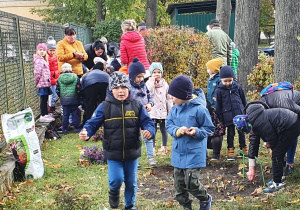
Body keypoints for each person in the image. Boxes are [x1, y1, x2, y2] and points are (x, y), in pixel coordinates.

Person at [79, 71, 155, 210]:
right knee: (116, 179)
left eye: (124, 87)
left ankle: (130, 205)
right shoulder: (104, 106)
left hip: (132, 150)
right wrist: (86, 132)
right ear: (111, 90)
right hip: (113, 151)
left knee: (131, 182)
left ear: (129, 88)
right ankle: (113, 192)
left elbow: (148, 122)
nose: (121, 91)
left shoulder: (136, 105)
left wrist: (149, 131)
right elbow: (93, 123)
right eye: (117, 88)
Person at [166, 75, 215, 210]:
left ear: (184, 96)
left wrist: (197, 132)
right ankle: (186, 206)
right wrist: (177, 130)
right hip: (178, 153)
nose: (171, 98)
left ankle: (205, 199)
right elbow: (168, 124)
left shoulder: (199, 109)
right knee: (179, 188)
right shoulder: (175, 108)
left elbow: (209, 128)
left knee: (192, 183)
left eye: (174, 95)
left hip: (194, 153)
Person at [234, 101, 300, 193]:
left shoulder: (258, 122)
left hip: (291, 125)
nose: (250, 133)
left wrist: (272, 148)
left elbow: (272, 138)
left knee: (277, 154)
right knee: (277, 152)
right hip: (288, 124)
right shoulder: (255, 119)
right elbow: (258, 142)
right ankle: (280, 177)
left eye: (249, 131)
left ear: (248, 125)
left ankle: (277, 184)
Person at [250, 82, 300, 176]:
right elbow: (262, 132)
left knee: (291, 132)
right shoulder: (260, 110)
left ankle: (290, 163)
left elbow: (293, 124)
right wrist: (270, 145)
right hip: (283, 113)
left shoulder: (282, 103)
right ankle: (281, 160)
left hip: (296, 108)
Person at [214, 66, 247, 160]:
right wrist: (221, 118)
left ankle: (243, 148)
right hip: (228, 116)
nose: (228, 83)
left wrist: (245, 110)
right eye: (225, 81)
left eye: (230, 80)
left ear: (233, 79)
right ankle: (230, 150)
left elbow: (243, 99)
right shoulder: (219, 91)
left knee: (241, 132)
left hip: (239, 114)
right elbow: (218, 106)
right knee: (230, 133)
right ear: (221, 80)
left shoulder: (237, 87)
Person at [128, 58, 156, 167]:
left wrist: (150, 104)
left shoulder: (144, 85)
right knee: (134, 138)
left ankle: (151, 157)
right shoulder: (128, 87)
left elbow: (150, 97)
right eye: (138, 76)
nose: (140, 79)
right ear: (132, 75)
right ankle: (135, 160)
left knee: (148, 135)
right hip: (132, 116)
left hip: (144, 116)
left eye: (142, 76)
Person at [146, 62, 173, 154]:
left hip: (163, 111)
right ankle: (152, 147)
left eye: (158, 72)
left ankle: (164, 146)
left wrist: (170, 110)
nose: (156, 74)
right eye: (154, 72)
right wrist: (152, 83)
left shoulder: (165, 84)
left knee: (163, 129)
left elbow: (168, 98)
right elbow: (149, 93)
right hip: (153, 111)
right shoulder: (149, 83)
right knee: (152, 129)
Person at [56, 63, 81, 134]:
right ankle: (76, 128)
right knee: (75, 113)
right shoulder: (75, 77)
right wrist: (78, 95)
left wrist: (61, 96)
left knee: (65, 115)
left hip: (64, 99)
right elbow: (78, 88)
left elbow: (57, 89)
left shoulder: (59, 78)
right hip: (74, 98)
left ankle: (65, 129)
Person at [33, 43, 55, 123]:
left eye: (44, 50)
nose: (42, 52)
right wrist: (38, 81)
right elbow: (37, 73)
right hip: (42, 83)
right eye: (40, 50)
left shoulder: (43, 60)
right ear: (37, 51)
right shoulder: (39, 61)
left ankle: (45, 114)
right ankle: (43, 115)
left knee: (45, 98)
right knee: (43, 99)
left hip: (45, 82)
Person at [46, 36, 60, 114]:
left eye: (53, 50)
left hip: (55, 78)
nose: (52, 52)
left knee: (54, 95)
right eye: (50, 50)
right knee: (52, 95)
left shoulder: (55, 56)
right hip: (51, 79)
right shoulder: (47, 57)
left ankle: (53, 108)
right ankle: (51, 109)